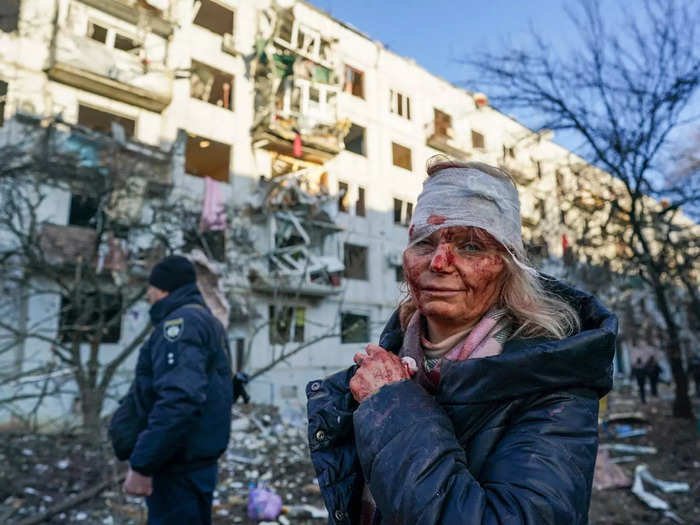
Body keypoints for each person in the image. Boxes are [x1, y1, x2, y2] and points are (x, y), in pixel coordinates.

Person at [307, 158, 617, 524]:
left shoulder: (553, 387)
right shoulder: (385, 368)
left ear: (508, 267)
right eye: (424, 242)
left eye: (471, 246)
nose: (439, 261)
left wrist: (392, 406)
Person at [109, 255, 233, 525]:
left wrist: (142, 464)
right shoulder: (205, 320)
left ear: (164, 289)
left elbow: (180, 399)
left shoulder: (181, 324)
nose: (149, 296)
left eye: (151, 289)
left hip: (177, 470)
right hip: (192, 465)